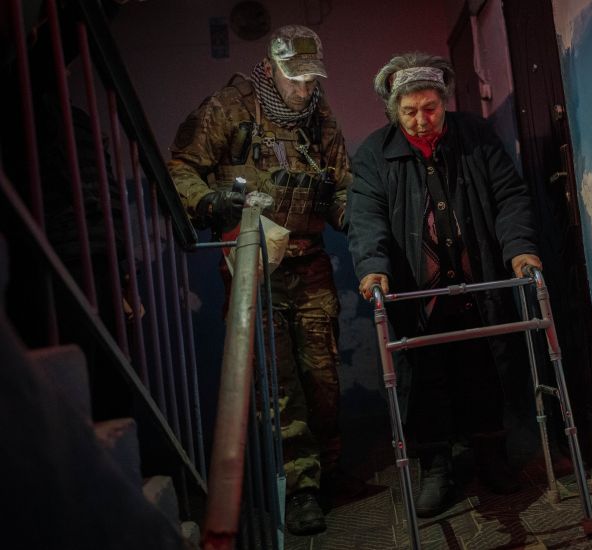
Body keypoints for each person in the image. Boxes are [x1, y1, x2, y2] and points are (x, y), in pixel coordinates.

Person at [167, 25, 351, 535]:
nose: (304, 90)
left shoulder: (320, 116)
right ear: (269, 68)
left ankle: (329, 469)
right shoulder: (228, 108)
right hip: (254, 263)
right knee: (277, 381)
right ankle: (301, 486)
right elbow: (180, 168)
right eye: (295, 79)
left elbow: (342, 183)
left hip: (310, 263)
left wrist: (355, 215)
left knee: (324, 377)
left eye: (312, 80)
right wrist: (210, 201)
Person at [346, 52, 542, 518]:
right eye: (409, 111)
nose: (421, 120)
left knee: (483, 372)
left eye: (430, 108)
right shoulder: (375, 153)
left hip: (477, 288)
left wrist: (519, 248)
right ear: (394, 111)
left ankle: (490, 456)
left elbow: (509, 195)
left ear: (445, 102)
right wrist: (373, 267)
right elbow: (365, 216)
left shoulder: (474, 135)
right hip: (417, 297)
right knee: (424, 382)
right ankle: (436, 469)